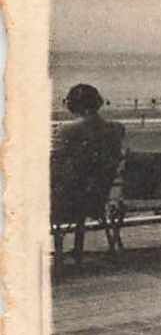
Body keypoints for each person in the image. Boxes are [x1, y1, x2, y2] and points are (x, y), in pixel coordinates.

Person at [51, 84, 126, 248]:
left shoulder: (68, 130)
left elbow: (53, 164)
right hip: (97, 199)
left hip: (68, 202)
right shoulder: (116, 129)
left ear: (72, 105)